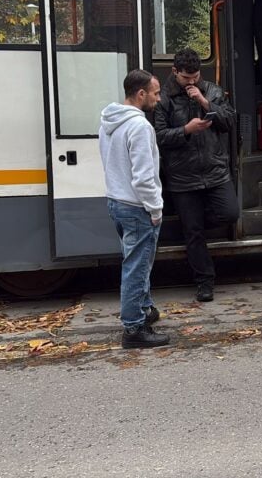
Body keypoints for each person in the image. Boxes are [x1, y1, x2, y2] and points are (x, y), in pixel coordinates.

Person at [154, 48, 239, 302]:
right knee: (193, 233)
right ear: (174, 72)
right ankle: (205, 281)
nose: (191, 82)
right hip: (182, 176)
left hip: (215, 170)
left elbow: (229, 122)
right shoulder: (164, 98)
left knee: (230, 213)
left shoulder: (212, 90)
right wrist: (186, 130)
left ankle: (197, 222)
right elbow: (158, 136)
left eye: (195, 76)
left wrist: (205, 102)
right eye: (186, 78)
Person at [99, 69, 170, 349]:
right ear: (141, 94)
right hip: (137, 205)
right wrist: (156, 208)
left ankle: (145, 310)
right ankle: (133, 329)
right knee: (137, 267)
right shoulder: (140, 127)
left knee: (135, 262)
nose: (159, 98)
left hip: (116, 201)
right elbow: (144, 176)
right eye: (155, 93)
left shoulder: (108, 121)